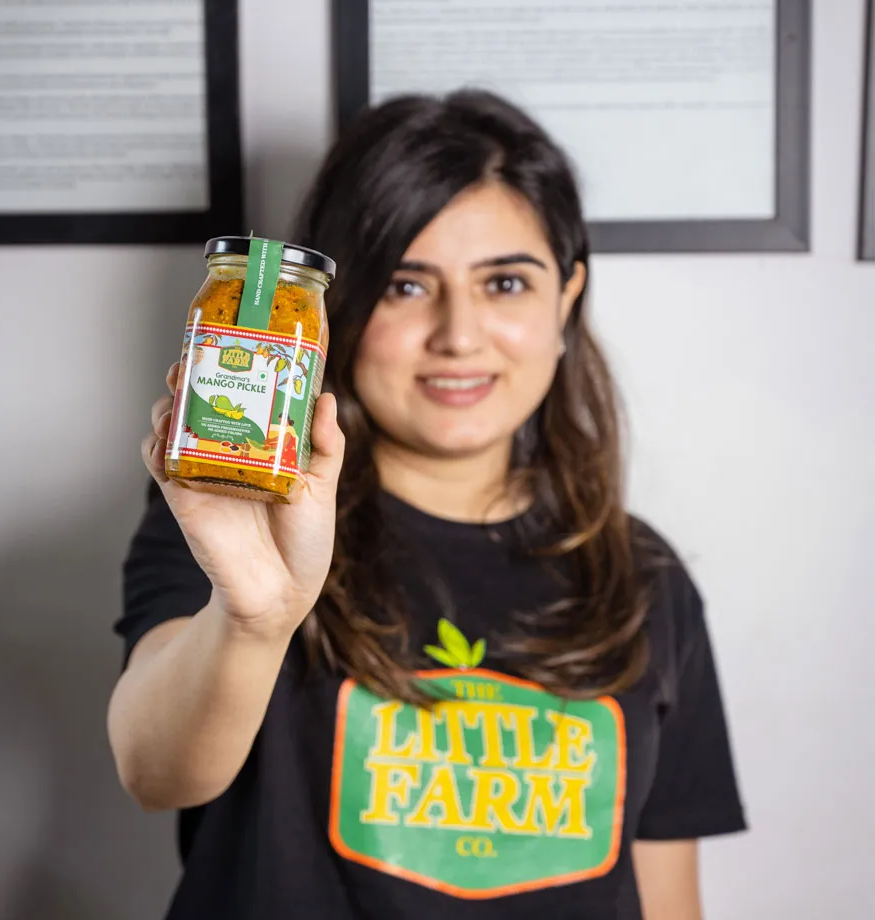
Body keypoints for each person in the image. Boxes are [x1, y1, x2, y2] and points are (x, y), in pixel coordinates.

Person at [109, 90, 746, 920]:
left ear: (567, 297)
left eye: (506, 283)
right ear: (337, 307)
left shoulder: (645, 578)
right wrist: (255, 615)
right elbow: (155, 774)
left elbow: (666, 900)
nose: (458, 335)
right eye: (407, 287)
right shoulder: (236, 519)